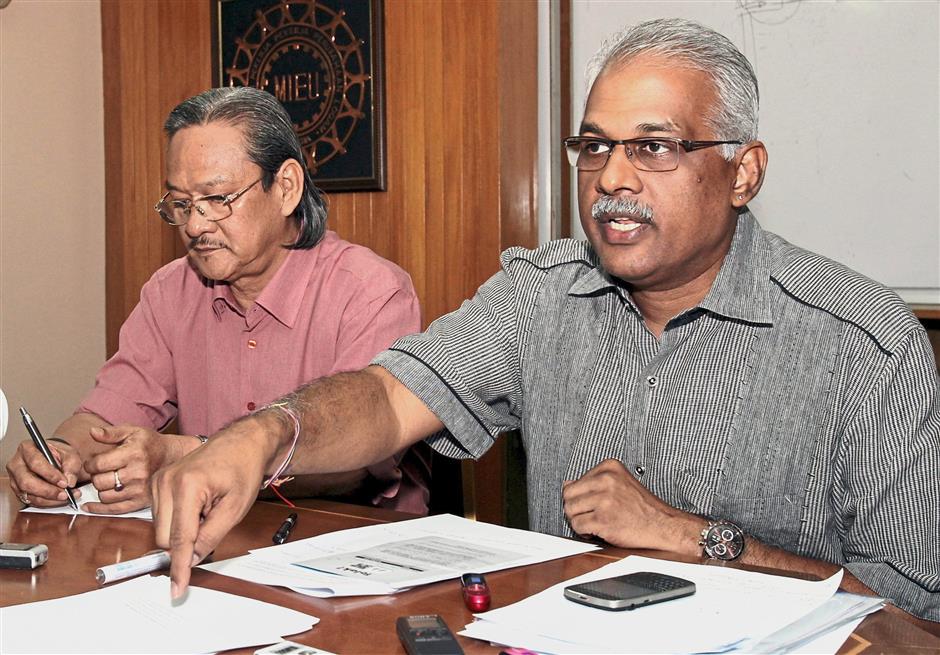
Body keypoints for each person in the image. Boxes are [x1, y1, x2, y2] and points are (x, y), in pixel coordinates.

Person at [151, 19, 938, 620]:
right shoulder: (540, 295)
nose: (613, 178)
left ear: (743, 171)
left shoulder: (865, 344)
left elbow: (910, 608)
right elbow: (391, 396)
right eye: (594, 146)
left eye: (655, 148)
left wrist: (703, 540)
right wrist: (262, 434)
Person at [6, 87, 429, 516]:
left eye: (217, 199)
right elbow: (104, 419)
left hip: (350, 537)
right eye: (181, 203)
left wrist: (182, 458)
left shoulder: (370, 291)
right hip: (216, 543)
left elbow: (353, 463)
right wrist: (59, 454)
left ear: (285, 187)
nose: (194, 224)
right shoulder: (171, 291)